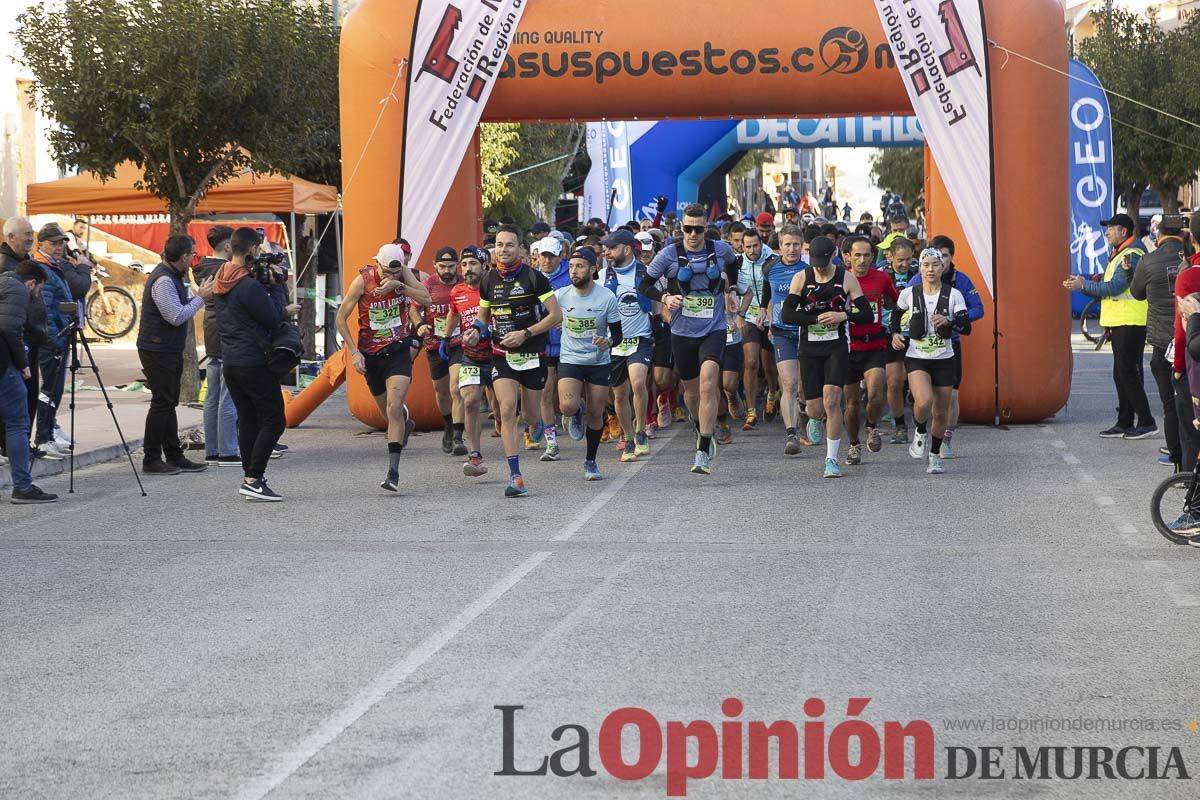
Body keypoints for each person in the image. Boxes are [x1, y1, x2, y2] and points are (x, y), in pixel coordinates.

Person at [640, 203, 739, 475]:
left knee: (709, 385)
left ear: (706, 228)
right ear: (681, 227)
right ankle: (699, 426)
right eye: (688, 228)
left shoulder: (720, 250)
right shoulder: (668, 254)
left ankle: (702, 450)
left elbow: (733, 264)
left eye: (698, 229)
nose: (693, 234)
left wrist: (729, 290)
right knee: (692, 393)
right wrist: (665, 297)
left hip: (713, 329)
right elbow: (644, 284)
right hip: (682, 333)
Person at [475, 223, 563, 497]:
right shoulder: (488, 280)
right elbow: (483, 317)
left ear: (522, 249)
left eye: (509, 245)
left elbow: (555, 316)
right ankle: (516, 475)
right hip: (502, 354)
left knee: (530, 415)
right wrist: (473, 332)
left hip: (533, 354)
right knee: (507, 409)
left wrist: (525, 333)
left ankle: (538, 424)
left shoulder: (535, 278)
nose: (503, 250)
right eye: (499, 245)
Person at [214, 228, 301, 501]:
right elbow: (273, 317)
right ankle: (253, 478)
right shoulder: (248, 285)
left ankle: (251, 477)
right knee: (275, 419)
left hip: (231, 361)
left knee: (249, 419)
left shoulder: (222, 277)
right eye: (258, 249)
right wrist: (277, 287)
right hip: (253, 361)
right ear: (251, 249)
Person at [337, 241, 430, 493]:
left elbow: (426, 298)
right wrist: (354, 352)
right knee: (387, 414)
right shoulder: (363, 280)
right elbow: (340, 318)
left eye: (396, 271)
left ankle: (393, 473)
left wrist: (401, 285)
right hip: (371, 354)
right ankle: (404, 425)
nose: (390, 276)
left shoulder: (402, 274)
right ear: (377, 263)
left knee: (394, 406)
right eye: (387, 272)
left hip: (398, 350)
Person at [781, 237, 874, 478]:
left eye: (824, 262)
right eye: (816, 262)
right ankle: (812, 417)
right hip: (810, 348)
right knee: (816, 407)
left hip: (836, 346)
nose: (820, 267)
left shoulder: (846, 278)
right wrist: (814, 320)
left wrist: (843, 316)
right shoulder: (802, 277)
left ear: (833, 255)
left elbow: (866, 314)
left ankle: (831, 459)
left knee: (832, 400)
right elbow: (787, 314)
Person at [1065, 213, 1155, 439]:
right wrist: (1089, 283)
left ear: (1123, 232)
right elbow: (1111, 284)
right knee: (1120, 373)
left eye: (1111, 228)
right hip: (1120, 321)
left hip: (1130, 321)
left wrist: (1083, 285)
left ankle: (1145, 421)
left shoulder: (1131, 254)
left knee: (1127, 373)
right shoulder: (1119, 253)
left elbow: (1115, 287)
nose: (1107, 233)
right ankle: (1124, 422)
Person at [136, 234, 213, 475]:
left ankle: (174, 454)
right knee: (161, 403)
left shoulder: (174, 276)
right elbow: (176, 315)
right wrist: (201, 299)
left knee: (168, 402)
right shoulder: (163, 281)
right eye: (192, 254)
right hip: (157, 348)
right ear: (183, 257)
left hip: (167, 347)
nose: (194, 258)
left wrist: (196, 297)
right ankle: (151, 458)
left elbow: (179, 308)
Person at [890, 248, 972, 473]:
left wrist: (948, 321)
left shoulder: (953, 295)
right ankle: (919, 430)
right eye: (926, 265)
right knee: (924, 401)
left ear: (942, 266)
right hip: (917, 357)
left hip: (944, 358)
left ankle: (934, 455)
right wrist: (895, 333)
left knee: (941, 412)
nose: (931, 269)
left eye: (935, 264)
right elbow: (895, 315)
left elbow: (966, 328)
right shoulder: (910, 293)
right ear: (920, 267)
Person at [915, 235, 985, 459]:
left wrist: (955, 319)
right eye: (934, 257)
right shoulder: (917, 279)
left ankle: (945, 438)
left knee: (951, 396)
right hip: (921, 348)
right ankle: (920, 430)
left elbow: (978, 308)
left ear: (951, 257)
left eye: (944, 256)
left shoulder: (961, 281)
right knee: (926, 399)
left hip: (950, 344)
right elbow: (902, 307)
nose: (939, 262)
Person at [556, 248, 623, 480]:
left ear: (593, 269)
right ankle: (575, 411)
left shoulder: (606, 297)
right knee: (567, 406)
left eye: (580, 266)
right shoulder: (561, 295)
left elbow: (618, 335)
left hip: (598, 361)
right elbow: (548, 317)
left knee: (596, 413)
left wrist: (608, 342)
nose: (574, 271)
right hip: (570, 358)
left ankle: (591, 461)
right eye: (572, 266)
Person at [1129, 215, 1186, 467]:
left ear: (1158, 234)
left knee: (1170, 403)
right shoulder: (1190, 260)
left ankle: (1175, 454)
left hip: (1163, 342)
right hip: (1189, 338)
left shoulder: (1148, 261)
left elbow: (1136, 293)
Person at [30, 223, 91, 459]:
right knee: (49, 389)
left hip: (61, 336)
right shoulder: (42, 268)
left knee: (55, 389)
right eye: (53, 243)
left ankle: (49, 433)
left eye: (61, 243)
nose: (58, 247)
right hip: (53, 339)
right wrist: (55, 339)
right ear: (41, 244)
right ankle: (43, 438)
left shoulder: (54, 266)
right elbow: (45, 309)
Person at [1, 261, 56, 502]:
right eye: (38, 290)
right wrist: (23, 364)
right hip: (3, 364)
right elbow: (10, 328)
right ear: (32, 283)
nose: (37, 295)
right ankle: (22, 486)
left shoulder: (3, 283)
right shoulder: (18, 290)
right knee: (18, 422)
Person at [842, 234, 898, 465]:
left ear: (873, 257)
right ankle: (854, 444)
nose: (862, 260)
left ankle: (872, 426)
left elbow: (898, 303)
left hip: (874, 343)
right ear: (848, 257)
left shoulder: (882, 278)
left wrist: (894, 327)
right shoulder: (841, 280)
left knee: (876, 394)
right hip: (848, 347)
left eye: (867, 255)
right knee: (852, 403)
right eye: (857, 255)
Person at [601, 229, 654, 461]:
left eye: (612, 247)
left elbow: (659, 301)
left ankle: (641, 429)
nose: (607, 252)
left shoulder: (647, 273)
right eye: (606, 248)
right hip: (614, 343)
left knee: (638, 381)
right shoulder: (603, 276)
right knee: (620, 396)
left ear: (626, 249)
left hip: (641, 338)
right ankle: (629, 437)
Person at [193, 225, 240, 467]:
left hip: (212, 334)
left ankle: (212, 450)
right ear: (228, 246)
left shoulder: (202, 268)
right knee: (227, 395)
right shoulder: (226, 270)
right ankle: (228, 450)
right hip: (226, 335)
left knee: (212, 396)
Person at [413, 245, 466, 456]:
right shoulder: (427, 285)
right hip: (435, 344)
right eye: (442, 266)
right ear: (435, 266)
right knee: (442, 391)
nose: (447, 270)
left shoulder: (464, 284)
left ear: (457, 266)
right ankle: (448, 425)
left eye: (451, 266)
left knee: (456, 388)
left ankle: (458, 437)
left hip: (458, 343)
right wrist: (419, 325)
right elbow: (413, 309)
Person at [759, 225, 807, 455]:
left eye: (796, 244)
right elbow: (767, 292)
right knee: (789, 383)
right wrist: (764, 314)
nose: (791, 249)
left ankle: (808, 413)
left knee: (804, 387)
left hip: (806, 333)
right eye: (787, 244)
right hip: (781, 332)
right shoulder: (770, 268)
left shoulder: (809, 270)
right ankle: (791, 434)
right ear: (779, 246)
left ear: (802, 246)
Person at [447, 247, 493, 477]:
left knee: (505, 409)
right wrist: (447, 338)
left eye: (473, 264)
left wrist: (485, 331)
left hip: (497, 355)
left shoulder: (494, 287)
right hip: (470, 355)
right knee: (470, 401)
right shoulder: (457, 291)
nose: (467, 269)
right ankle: (475, 455)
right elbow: (453, 313)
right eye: (464, 264)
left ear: (485, 265)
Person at [531, 236, 570, 460]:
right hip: (542, 342)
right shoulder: (531, 277)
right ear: (537, 256)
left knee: (567, 400)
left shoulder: (571, 273)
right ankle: (551, 442)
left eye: (552, 256)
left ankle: (574, 412)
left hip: (568, 343)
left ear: (560, 255)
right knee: (545, 392)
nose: (547, 260)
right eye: (543, 256)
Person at [735, 227, 777, 431]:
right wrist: (737, 316)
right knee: (751, 362)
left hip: (770, 316)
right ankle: (751, 412)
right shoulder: (737, 262)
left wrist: (768, 315)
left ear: (761, 244)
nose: (752, 250)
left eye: (756, 246)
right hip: (749, 317)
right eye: (748, 247)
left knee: (769, 366)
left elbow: (775, 290)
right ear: (742, 246)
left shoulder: (773, 259)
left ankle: (771, 393)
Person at [883, 236, 917, 442]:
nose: (904, 264)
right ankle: (900, 425)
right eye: (900, 260)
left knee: (914, 384)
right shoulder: (882, 275)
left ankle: (919, 420)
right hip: (890, 334)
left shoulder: (919, 274)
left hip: (916, 335)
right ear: (890, 257)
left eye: (908, 260)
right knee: (894, 382)